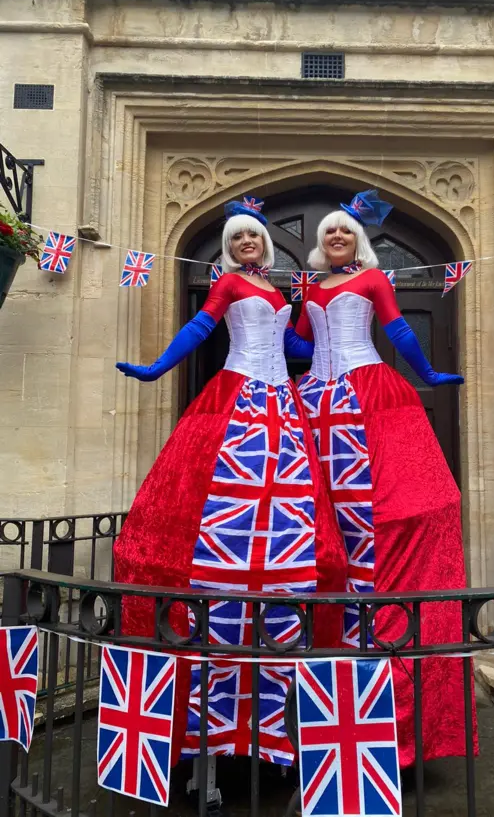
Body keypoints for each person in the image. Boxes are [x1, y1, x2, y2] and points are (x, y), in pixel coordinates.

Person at [113, 196, 347, 772]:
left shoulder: (274, 292)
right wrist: (156, 368)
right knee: (214, 496)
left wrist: (342, 338)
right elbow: (200, 327)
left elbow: (293, 348)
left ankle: (276, 687)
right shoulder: (228, 287)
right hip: (239, 395)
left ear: (265, 245)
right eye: (239, 238)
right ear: (229, 247)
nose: (248, 244)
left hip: (282, 405)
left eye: (254, 237)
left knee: (290, 505)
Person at [294, 189, 475, 768]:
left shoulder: (374, 281)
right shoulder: (308, 288)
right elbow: (302, 341)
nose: (336, 238)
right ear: (320, 246)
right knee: (314, 502)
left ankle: (379, 631)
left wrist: (425, 371)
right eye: (328, 234)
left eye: (344, 231)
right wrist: (264, 331)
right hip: (316, 397)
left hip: (366, 389)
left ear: (359, 239)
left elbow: (395, 332)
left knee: (385, 501)